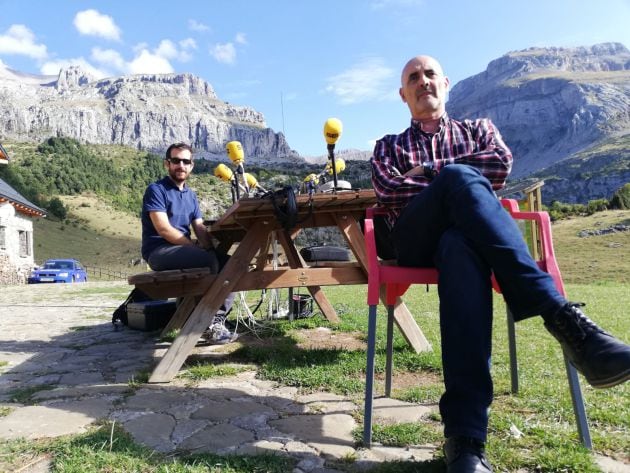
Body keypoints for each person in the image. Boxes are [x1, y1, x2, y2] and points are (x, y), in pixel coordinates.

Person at [370, 55, 630, 473]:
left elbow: (501, 165)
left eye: (430, 74)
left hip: (467, 242)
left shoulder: (480, 130)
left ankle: (466, 443)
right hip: (414, 239)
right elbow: (391, 191)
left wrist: (429, 170)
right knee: (460, 181)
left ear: (446, 83)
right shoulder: (389, 146)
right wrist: (455, 176)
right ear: (403, 94)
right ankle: (562, 318)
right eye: (413, 78)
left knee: (459, 246)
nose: (423, 82)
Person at [141, 142, 237, 344]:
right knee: (209, 263)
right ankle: (208, 324)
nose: (181, 165)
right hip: (159, 251)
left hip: (181, 250)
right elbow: (163, 229)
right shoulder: (156, 190)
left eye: (186, 161)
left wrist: (210, 247)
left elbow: (199, 227)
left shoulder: (191, 195)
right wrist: (195, 248)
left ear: (192, 166)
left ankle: (216, 318)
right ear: (167, 164)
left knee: (232, 264)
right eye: (176, 161)